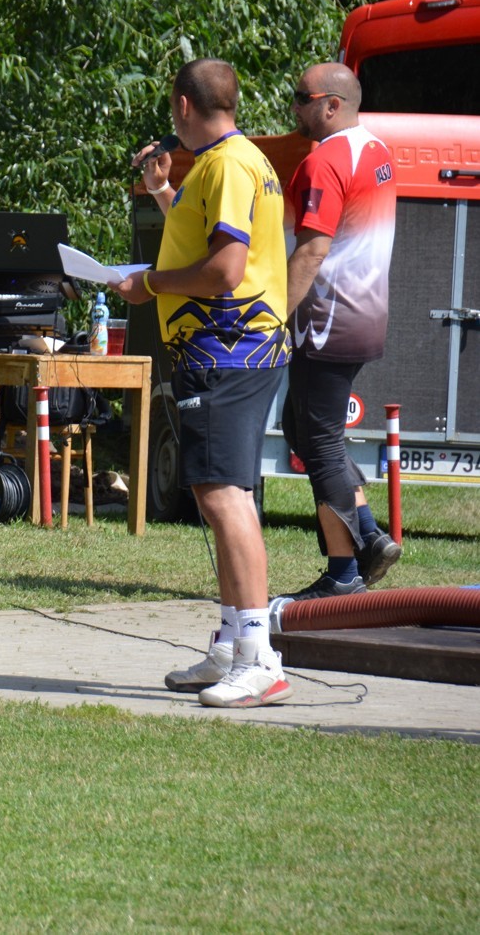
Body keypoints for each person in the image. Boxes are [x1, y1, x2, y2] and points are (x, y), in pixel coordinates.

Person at [112, 58, 291, 709]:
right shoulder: (229, 161)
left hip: (228, 352)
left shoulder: (228, 165)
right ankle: (232, 641)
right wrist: (164, 191)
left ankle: (258, 657)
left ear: (183, 105)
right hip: (228, 351)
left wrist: (149, 284)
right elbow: (200, 242)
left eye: (171, 106)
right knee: (221, 492)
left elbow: (224, 270)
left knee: (223, 496)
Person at [275, 63, 400, 599]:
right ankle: (369, 535)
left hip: (328, 320)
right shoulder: (376, 150)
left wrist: (274, 316)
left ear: (331, 104)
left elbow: (312, 250)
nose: (294, 107)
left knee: (320, 442)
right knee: (301, 428)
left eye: (301, 97)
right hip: (365, 313)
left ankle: (343, 572)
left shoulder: (325, 160)